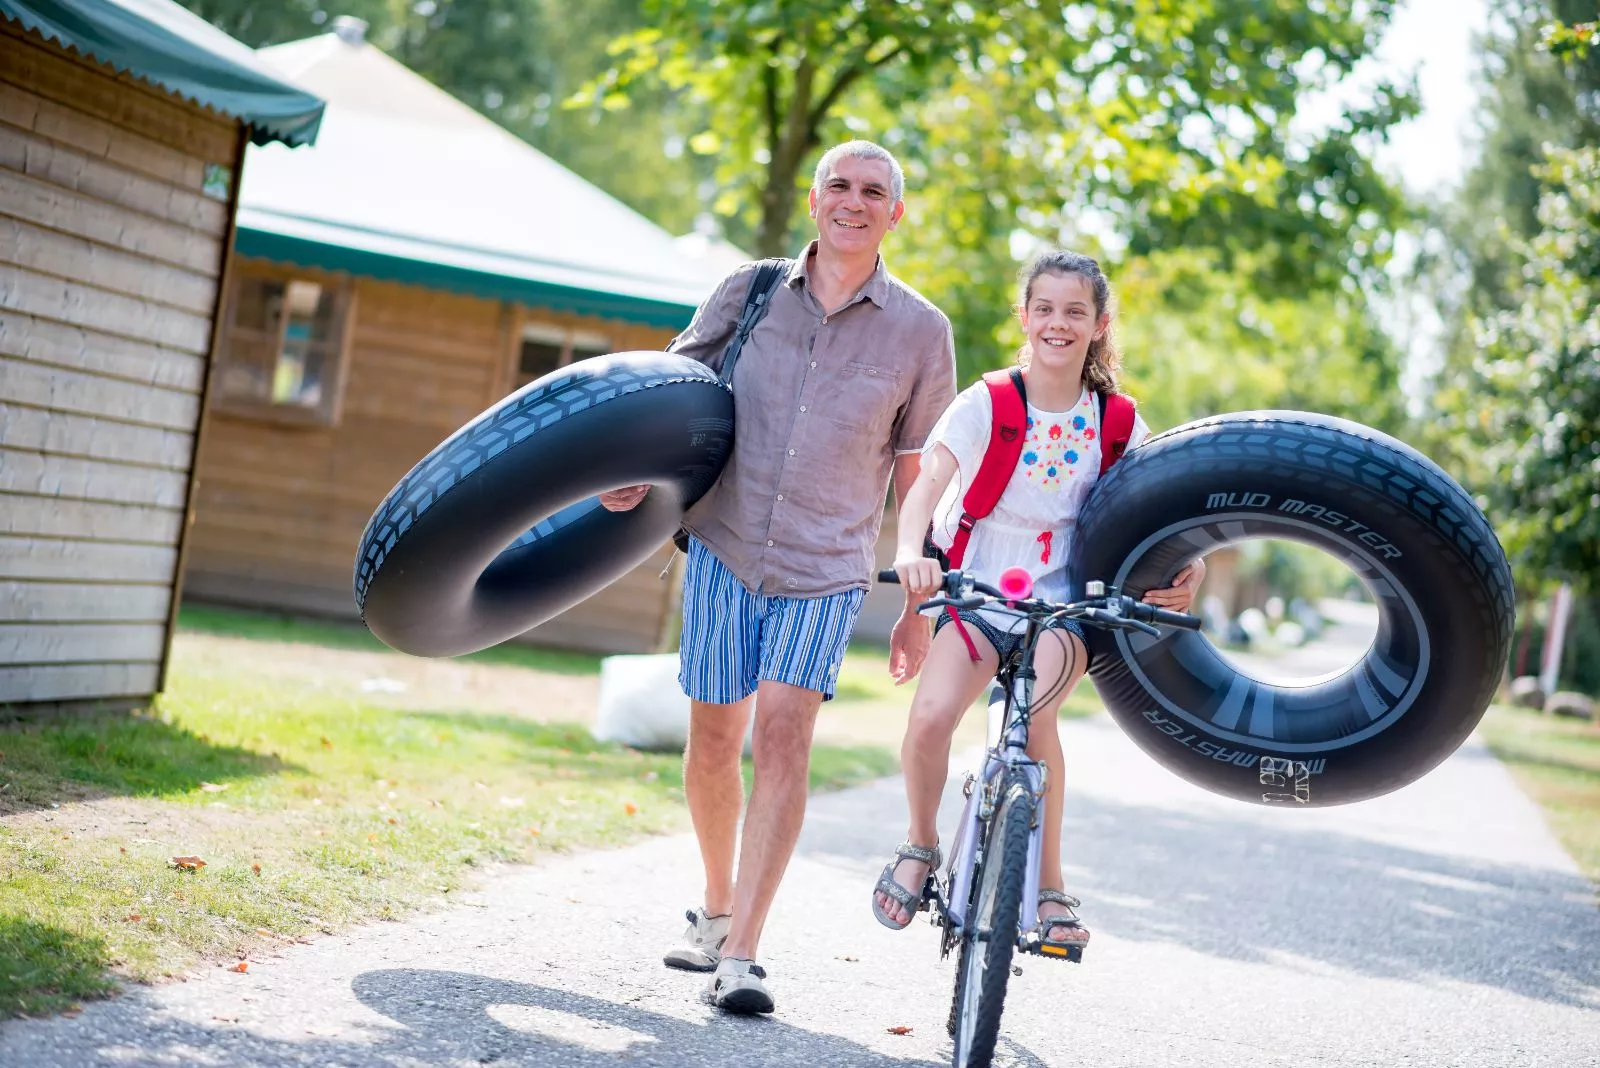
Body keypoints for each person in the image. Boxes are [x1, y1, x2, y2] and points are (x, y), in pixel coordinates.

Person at [599, 140, 957, 1014]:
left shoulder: (921, 330)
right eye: (840, 184)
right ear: (814, 198)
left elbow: (923, 477)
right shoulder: (749, 290)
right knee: (716, 740)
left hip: (828, 565)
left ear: (894, 215)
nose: (854, 200)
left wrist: (920, 603)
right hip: (723, 544)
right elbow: (674, 384)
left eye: (875, 191)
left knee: (786, 735)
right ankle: (716, 908)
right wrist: (632, 469)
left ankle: (745, 955)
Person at [869, 250, 1204, 949]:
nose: (1058, 323)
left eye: (1075, 311)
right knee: (930, 719)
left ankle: (1049, 888)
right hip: (980, 586)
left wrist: (1189, 564)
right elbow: (929, 483)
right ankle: (921, 843)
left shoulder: (1116, 421)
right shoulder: (988, 402)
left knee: (1033, 720)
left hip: (1062, 600)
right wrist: (909, 552)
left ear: (1099, 324)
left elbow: (1161, 502)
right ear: (1025, 317)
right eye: (1044, 308)